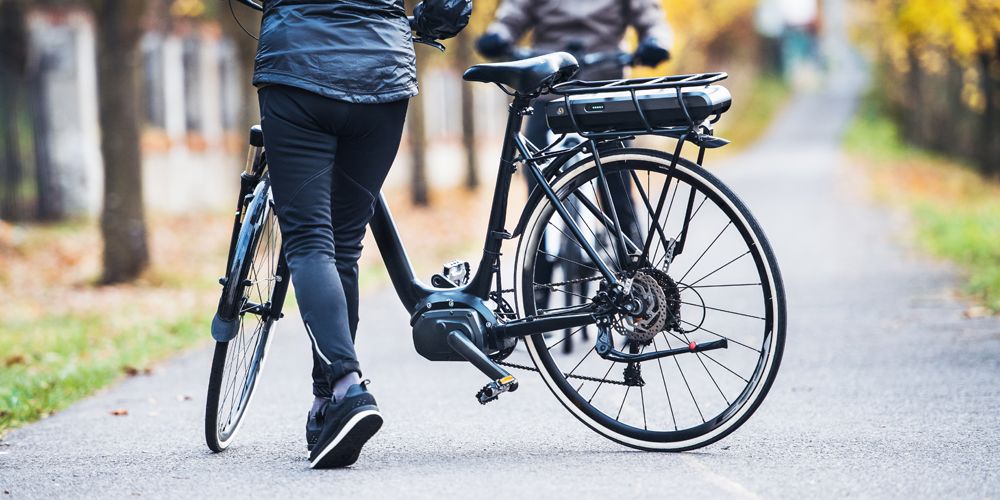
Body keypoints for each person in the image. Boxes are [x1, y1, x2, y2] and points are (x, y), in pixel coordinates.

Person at [252, 0, 469, 469]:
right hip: (383, 72)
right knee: (344, 244)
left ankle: (348, 387)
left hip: (297, 69)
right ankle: (327, 402)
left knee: (311, 240)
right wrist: (429, 23)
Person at [475, 0, 673, 300]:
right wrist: (499, 35)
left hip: (605, 90)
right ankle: (537, 281)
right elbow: (514, 11)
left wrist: (654, 40)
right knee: (537, 181)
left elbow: (648, 14)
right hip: (550, 90)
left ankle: (639, 278)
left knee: (617, 184)